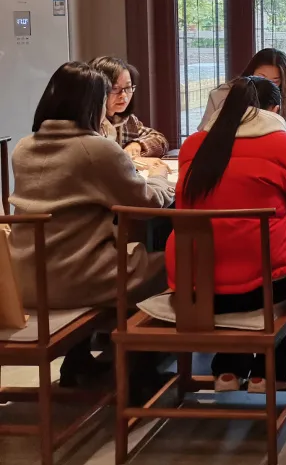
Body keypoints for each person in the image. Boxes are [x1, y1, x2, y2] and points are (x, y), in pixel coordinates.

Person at [170, 76, 286, 393]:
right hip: (266, 291)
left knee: (236, 261)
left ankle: (228, 369)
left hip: (195, 288)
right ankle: (269, 373)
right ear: (275, 109)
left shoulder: (194, 145)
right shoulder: (283, 145)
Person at [8, 62, 172, 386]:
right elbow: (147, 204)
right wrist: (160, 177)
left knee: (115, 256)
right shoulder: (95, 149)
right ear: (92, 104)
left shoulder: (24, 147)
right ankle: (139, 371)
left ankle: (79, 362)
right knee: (172, 265)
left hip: (23, 278)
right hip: (76, 278)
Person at [199, 48, 286, 136]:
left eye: (275, 81)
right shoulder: (221, 95)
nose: (267, 85)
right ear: (250, 73)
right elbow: (204, 133)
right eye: (261, 77)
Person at [89, 55, 169, 158]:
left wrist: (137, 145)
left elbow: (160, 139)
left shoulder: (127, 120)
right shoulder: (88, 124)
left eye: (128, 87)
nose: (124, 95)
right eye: (115, 88)